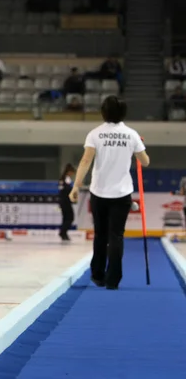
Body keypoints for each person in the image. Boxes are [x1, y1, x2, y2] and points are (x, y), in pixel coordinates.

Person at [69, 96, 149, 290]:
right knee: (116, 236)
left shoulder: (95, 134)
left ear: (103, 112)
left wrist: (76, 186)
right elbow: (145, 162)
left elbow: (85, 161)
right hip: (122, 194)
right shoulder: (131, 135)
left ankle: (98, 275)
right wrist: (139, 146)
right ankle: (113, 280)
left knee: (100, 235)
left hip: (99, 192)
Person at [58, 163, 76, 242]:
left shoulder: (62, 179)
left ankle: (63, 233)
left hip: (62, 201)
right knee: (70, 217)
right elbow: (67, 190)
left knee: (65, 218)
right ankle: (63, 232)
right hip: (66, 201)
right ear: (69, 172)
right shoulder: (67, 179)